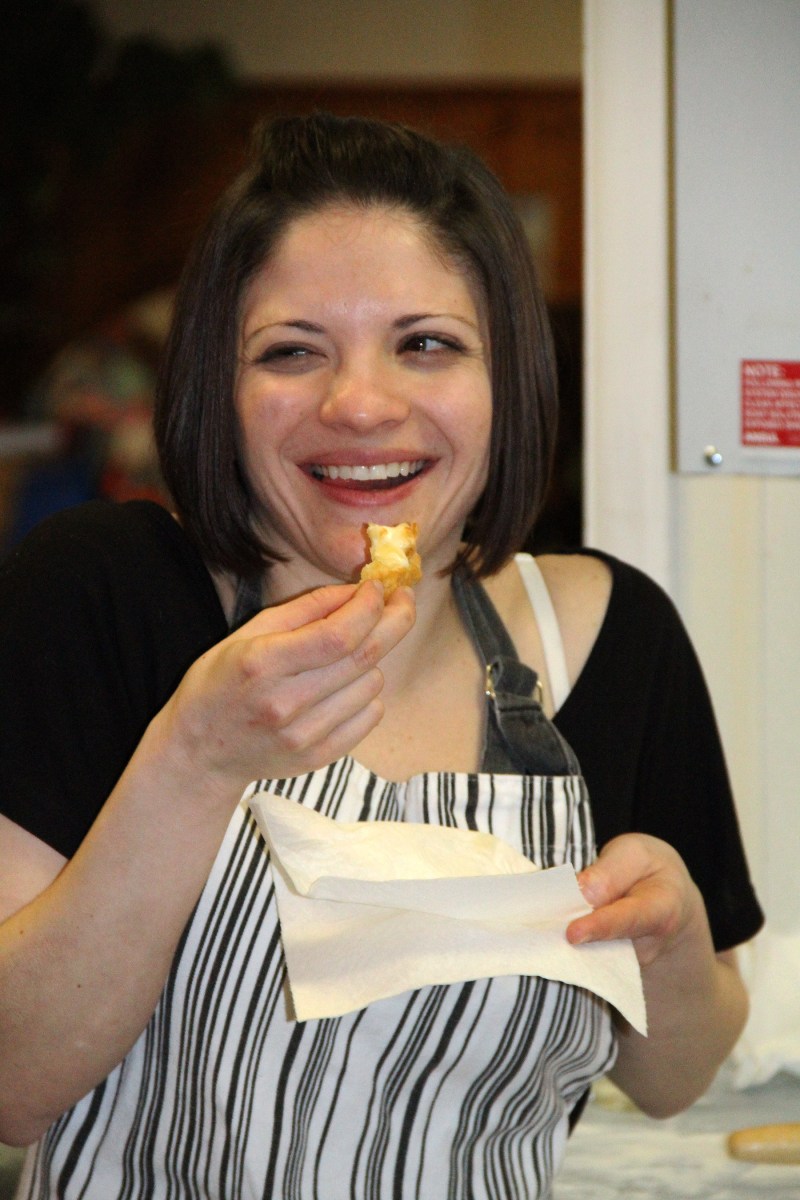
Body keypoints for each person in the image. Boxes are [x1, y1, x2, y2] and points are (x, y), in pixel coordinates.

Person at [0, 113, 763, 1199]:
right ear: (219, 387)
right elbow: (13, 1082)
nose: (358, 404)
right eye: (291, 351)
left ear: (507, 380)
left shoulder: (608, 637)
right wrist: (195, 761)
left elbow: (676, 1077)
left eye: (426, 344)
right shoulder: (101, 597)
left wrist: (673, 936)